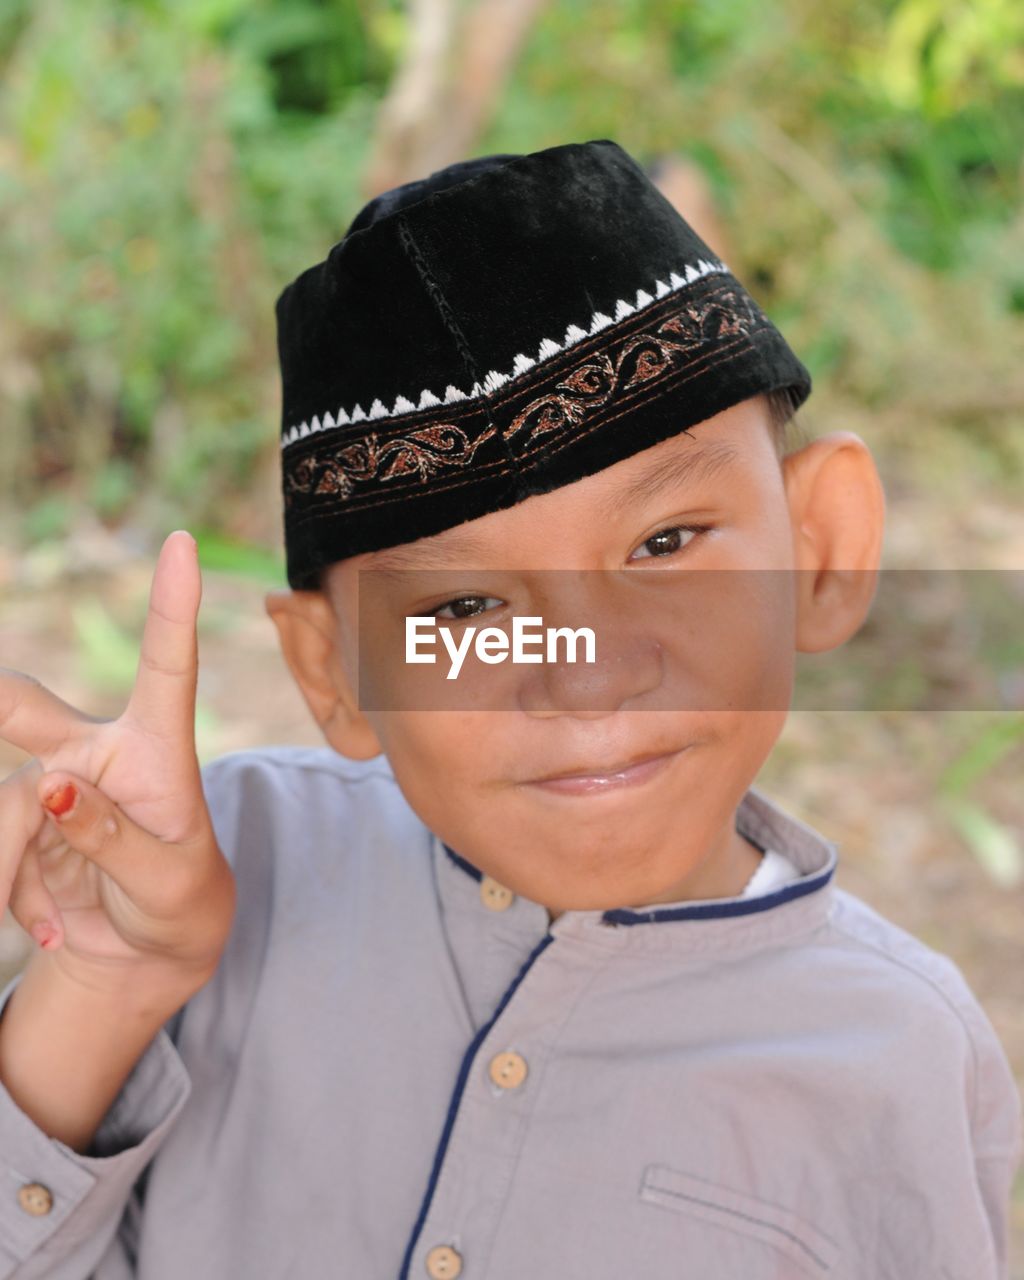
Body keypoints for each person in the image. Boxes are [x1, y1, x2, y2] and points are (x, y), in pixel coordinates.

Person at [0, 138, 1019, 1279]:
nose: (585, 674)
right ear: (335, 674)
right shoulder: (209, 878)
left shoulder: (894, 1060)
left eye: (664, 543)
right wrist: (102, 985)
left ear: (819, 550)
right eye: (467, 604)